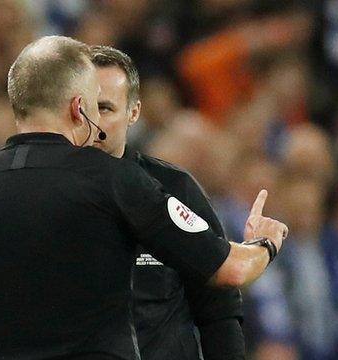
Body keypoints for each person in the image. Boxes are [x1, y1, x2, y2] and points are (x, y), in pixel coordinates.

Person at [0, 36, 288, 360]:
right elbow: (231, 270)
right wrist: (265, 242)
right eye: (96, 104)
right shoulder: (117, 181)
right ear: (78, 107)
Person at [90, 45, 245, 360]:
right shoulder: (44, 192)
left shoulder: (176, 188)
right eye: (83, 108)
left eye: (105, 108)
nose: (93, 123)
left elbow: (218, 309)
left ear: (133, 112)